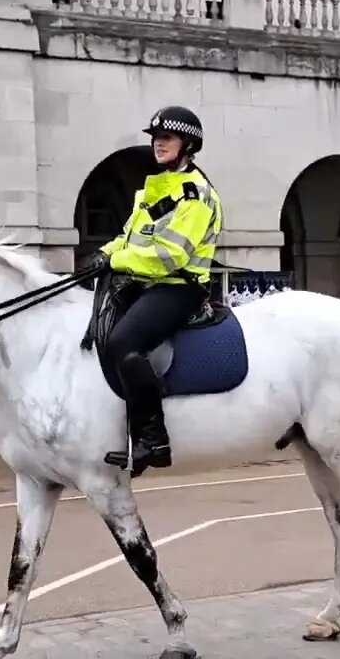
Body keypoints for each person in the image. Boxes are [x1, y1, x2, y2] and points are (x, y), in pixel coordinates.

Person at [91, 105, 223, 476]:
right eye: (155, 138)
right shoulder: (155, 187)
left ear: (188, 144)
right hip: (144, 282)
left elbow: (171, 254)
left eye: (167, 138)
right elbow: (130, 236)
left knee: (122, 343)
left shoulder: (196, 195)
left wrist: (116, 262)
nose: (158, 144)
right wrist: (103, 254)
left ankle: (154, 439)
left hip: (180, 287)